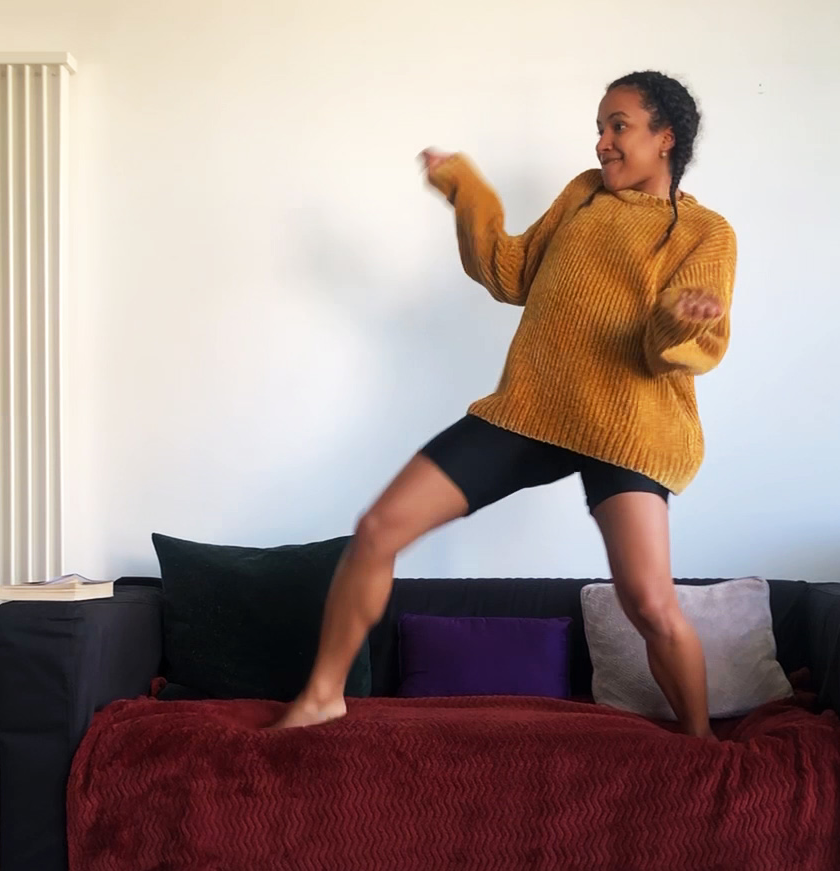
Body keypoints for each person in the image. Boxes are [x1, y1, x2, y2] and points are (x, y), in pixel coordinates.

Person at [272, 71, 736, 737]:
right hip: (534, 408)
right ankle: (322, 696)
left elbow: (671, 346)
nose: (603, 141)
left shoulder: (703, 232)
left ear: (666, 138)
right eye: (600, 126)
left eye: (619, 126)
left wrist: (679, 319)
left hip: (628, 425)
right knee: (377, 529)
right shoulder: (582, 195)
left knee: (650, 602)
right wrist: (466, 185)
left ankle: (702, 747)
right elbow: (511, 271)